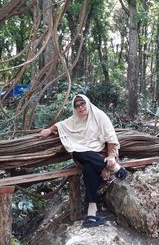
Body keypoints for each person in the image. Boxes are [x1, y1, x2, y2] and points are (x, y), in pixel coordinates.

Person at [38, 94, 127, 228]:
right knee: (78, 153)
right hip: (92, 159)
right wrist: (49, 130)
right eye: (77, 106)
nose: (80, 107)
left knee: (88, 169)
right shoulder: (74, 121)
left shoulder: (99, 116)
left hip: (100, 154)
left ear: (88, 103)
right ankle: (116, 170)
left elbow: (111, 138)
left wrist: (111, 157)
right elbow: (60, 125)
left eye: (82, 104)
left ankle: (91, 214)